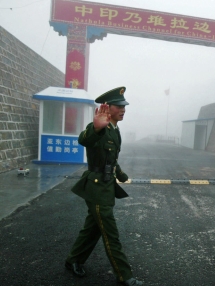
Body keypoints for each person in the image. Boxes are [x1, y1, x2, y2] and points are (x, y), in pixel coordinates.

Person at [64, 87, 143, 286]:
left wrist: (121, 174)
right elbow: (84, 139)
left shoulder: (115, 129)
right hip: (97, 188)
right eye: (119, 106)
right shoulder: (99, 128)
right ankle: (125, 276)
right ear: (107, 108)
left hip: (106, 186)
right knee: (110, 233)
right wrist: (96, 127)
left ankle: (73, 260)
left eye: (124, 106)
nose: (123, 109)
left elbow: (111, 159)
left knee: (93, 228)